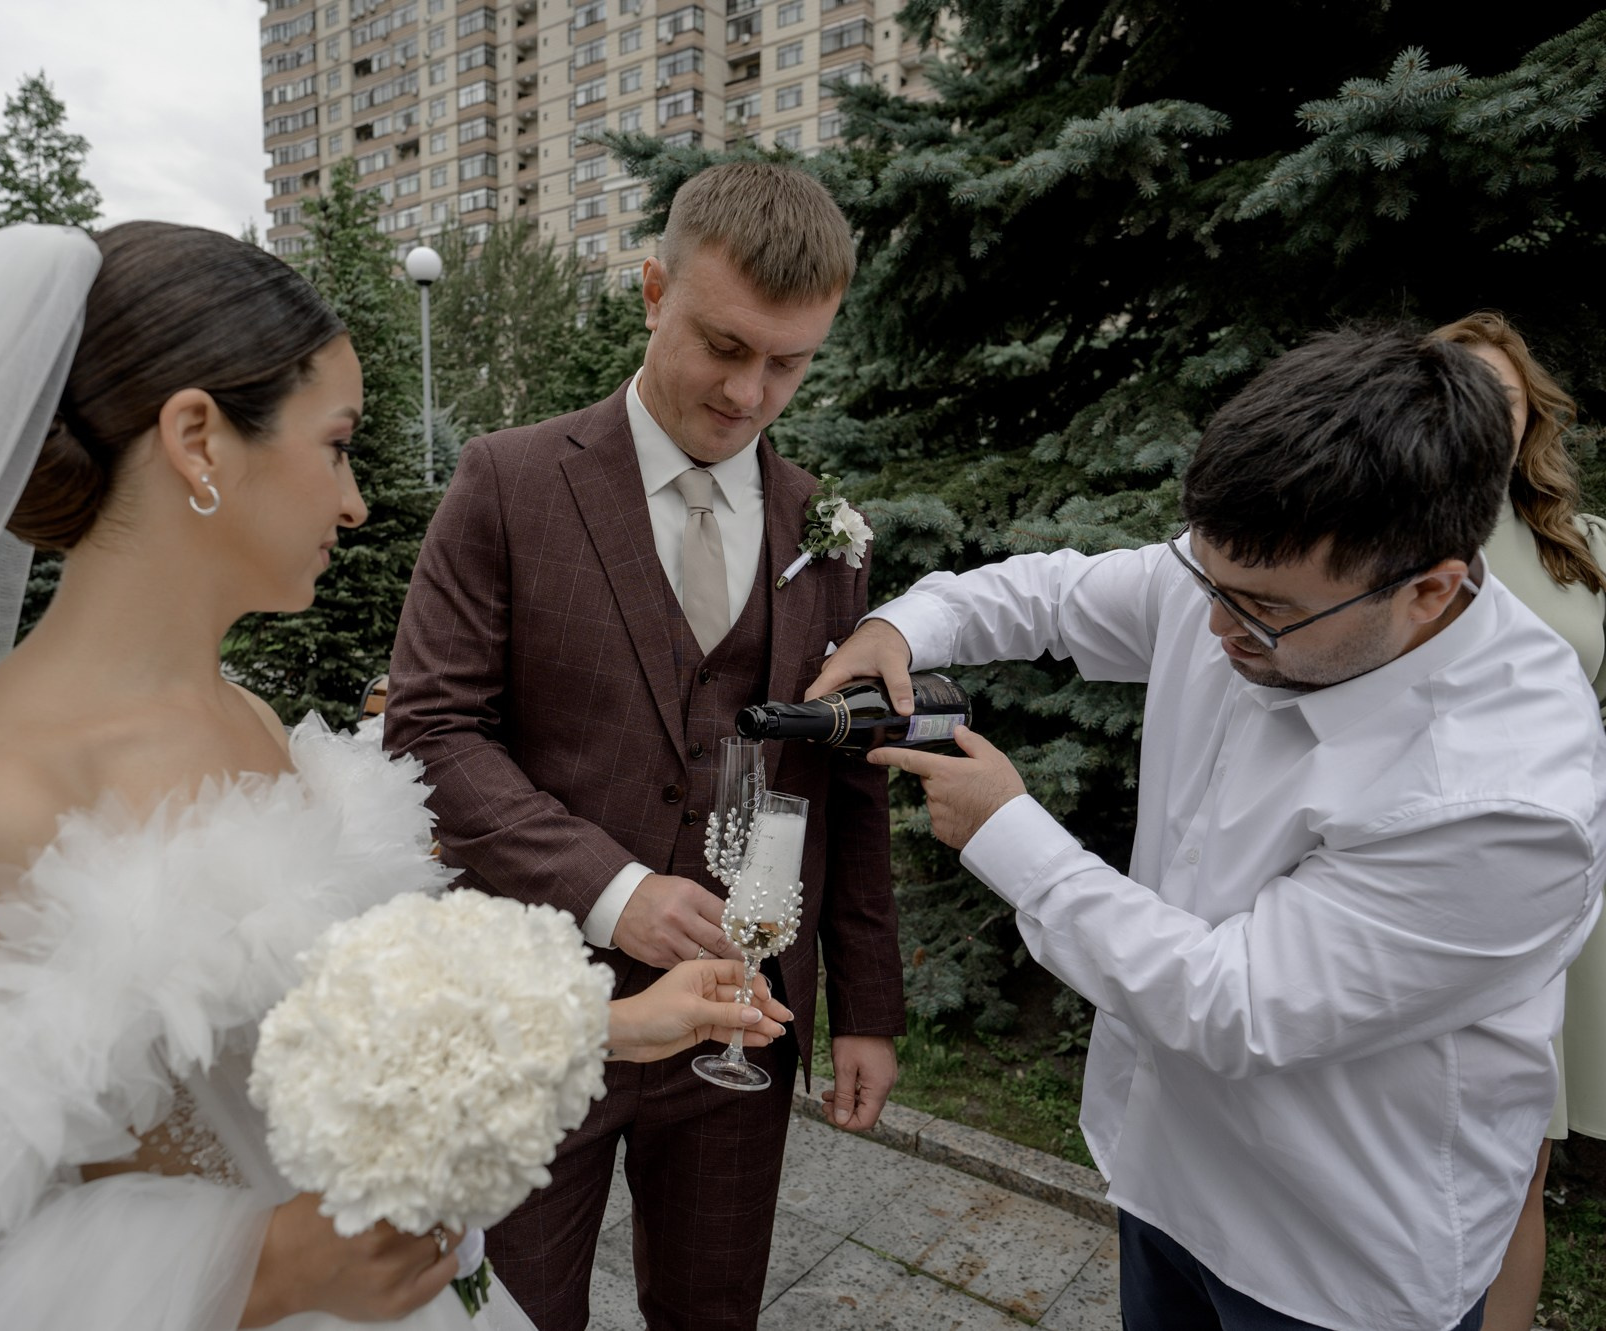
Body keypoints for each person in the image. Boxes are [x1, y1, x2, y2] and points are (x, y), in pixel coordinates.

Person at [0, 222, 793, 1331]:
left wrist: (608, 1023)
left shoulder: (246, 718)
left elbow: (306, 1022)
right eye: (333, 445)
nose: (354, 499)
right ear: (196, 439)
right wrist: (258, 1266)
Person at [812, 328, 1606, 1331]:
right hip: (1166, 1178)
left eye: (1264, 612)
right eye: (1206, 581)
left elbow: (1235, 1001)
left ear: (1428, 591)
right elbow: (1055, 596)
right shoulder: (1249, 578)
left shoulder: (1503, 799)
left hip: (1331, 1257)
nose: (1214, 628)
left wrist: (1010, 834)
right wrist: (903, 625)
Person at [385, 160, 905, 1331]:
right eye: (724, 345)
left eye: (790, 361)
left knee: (713, 1309)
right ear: (650, 288)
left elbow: (847, 783)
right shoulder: (509, 482)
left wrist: (865, 1006)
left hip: (743, 1024)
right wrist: (613, 893)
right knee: (508, 1312)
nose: (749, 392)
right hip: (540, 1006)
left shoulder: (827, 528)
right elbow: (429, 731)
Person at [1430, 310, 1606, 1331]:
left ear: (1527, 415)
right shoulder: (1382, 534)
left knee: (1515, 1164)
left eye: (1497, 397)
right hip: (1422, 873)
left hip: (1554, 878)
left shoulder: (1584, 551)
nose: (1476, 414)